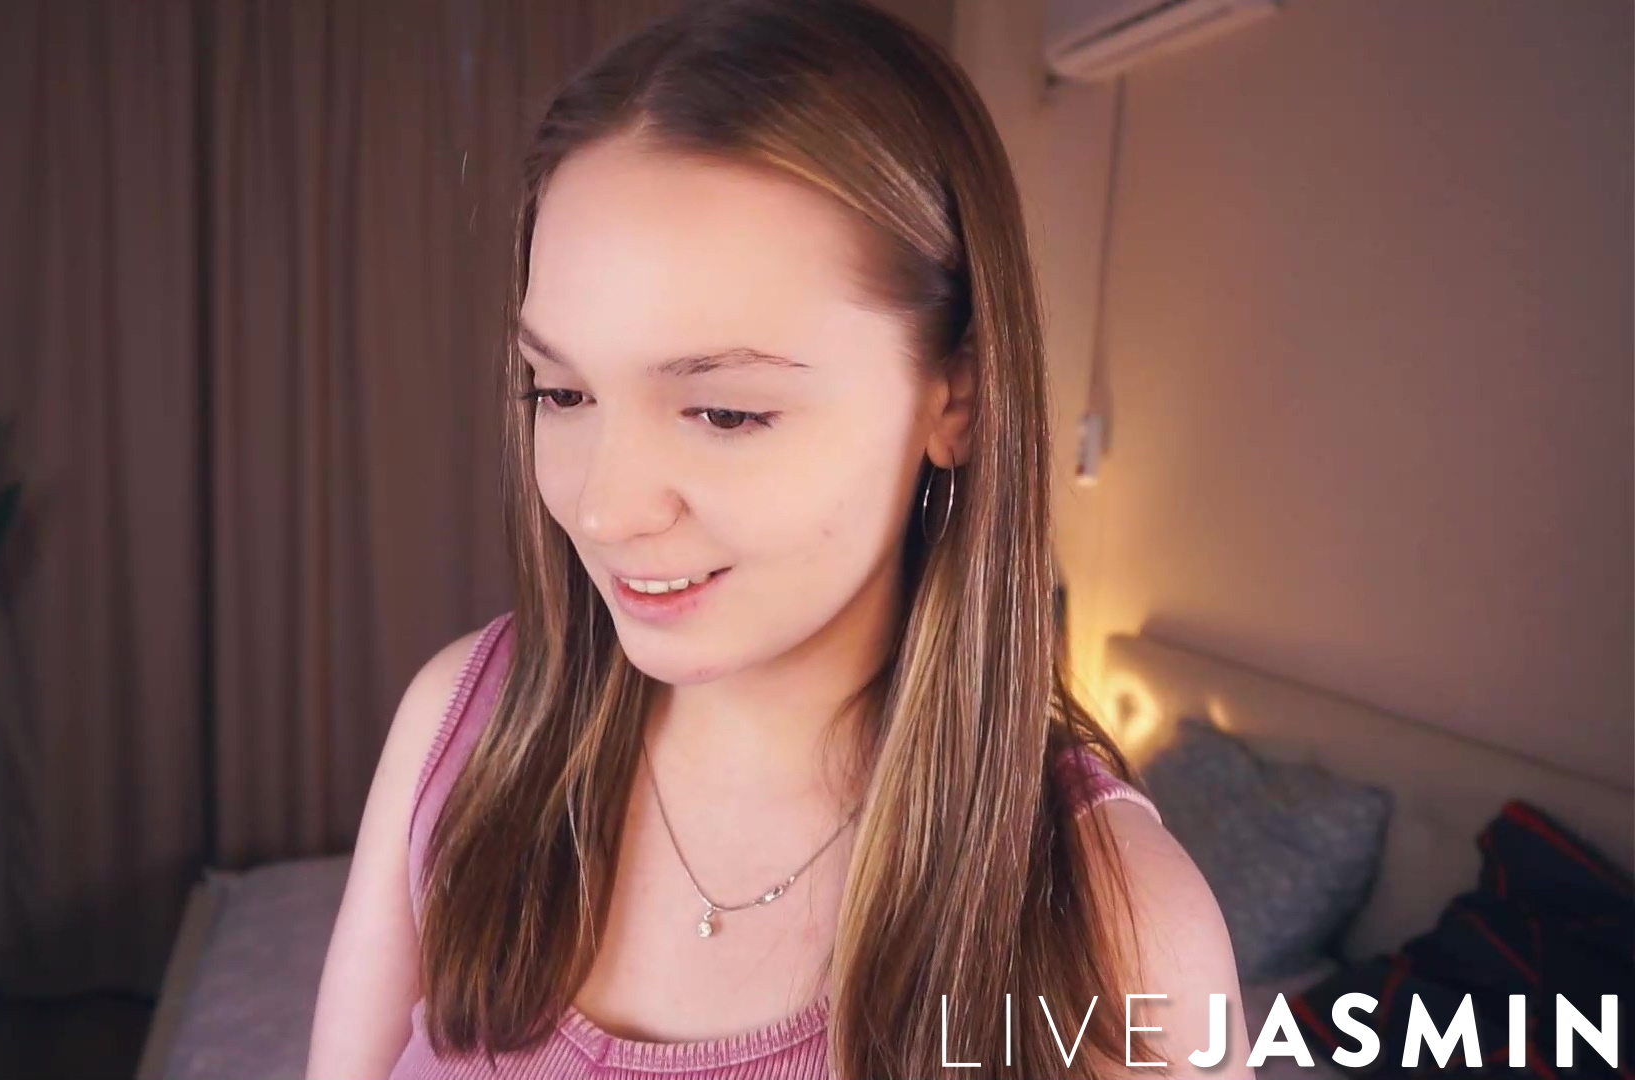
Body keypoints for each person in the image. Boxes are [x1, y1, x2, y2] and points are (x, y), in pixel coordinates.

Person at [307, 1, 1249, 1076]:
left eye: (725, 412)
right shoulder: (462, 728)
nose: (604, 510)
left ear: (955, 400)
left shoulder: (1119, 939)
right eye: (561, 393)